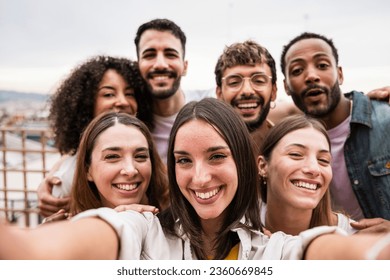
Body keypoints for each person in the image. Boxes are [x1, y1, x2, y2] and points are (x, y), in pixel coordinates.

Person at [1, 98, 390, 260]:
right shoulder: (144, 227)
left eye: (217, 156)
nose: (200, 177)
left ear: (243, 162)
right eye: (183, 160)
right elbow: (97, 236)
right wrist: (26, 250)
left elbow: (318, 251)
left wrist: (372, 254)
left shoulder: (270, 247)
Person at [280, 32, 390, 225]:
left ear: (339, 74)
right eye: (297, 70)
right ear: (286, 87)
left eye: (322, 65)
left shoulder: (384, 119)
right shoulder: (288, 142)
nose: (311, 76)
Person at [37, 55, 146, 217]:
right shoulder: (68, 176)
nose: (122, 101)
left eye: (129, 94)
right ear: (86, 103)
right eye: (109, 94)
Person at [258, 114, 356, 235]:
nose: (314, 169)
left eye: (324, 160)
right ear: (263, 166)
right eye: (296, 154)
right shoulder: (237, 229)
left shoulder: (352, 237)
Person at [134, 18, 214, 163]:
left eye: (170, 54)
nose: (160, 64)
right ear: (137, 65)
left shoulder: (211, 108)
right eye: (149, 55)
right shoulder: (129, 119)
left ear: (185, 66)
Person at [214, 40, 276, 155]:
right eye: (234, 82)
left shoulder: (290, 145)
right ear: (219, 94)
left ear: (273, 91)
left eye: (259, 81)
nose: (247, 91)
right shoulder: (205, 147)